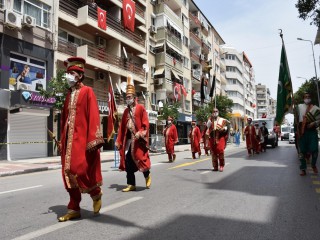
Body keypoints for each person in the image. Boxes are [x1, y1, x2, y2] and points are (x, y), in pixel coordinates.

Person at [58, 57, 104, 222]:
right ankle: (74, 207)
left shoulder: (87, 92)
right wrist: (62, 141)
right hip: (68, 142)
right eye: (68, 73)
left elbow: (93, 115)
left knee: (80, 170)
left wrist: (93, 140)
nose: (68, 76)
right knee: (67, 173)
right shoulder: (68, 95)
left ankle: (95, 194)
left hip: (82, 140)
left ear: (79, 75)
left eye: (71, 73)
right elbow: (64, 120)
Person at [115, 74, 151, 191]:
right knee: (128, 163)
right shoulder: (125, 111)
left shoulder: (141, 108)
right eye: (126, 97)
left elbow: (145, 124)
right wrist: (119, 140)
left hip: (138, 140)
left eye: (129, 96)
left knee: (141, 159)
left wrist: (140, 133)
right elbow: (122, 128)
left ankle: (147, 175)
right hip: (130, 141)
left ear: (134, 97)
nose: (128, 98)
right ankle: (131, 184)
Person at [296, 92, 320, 176]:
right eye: (306, 97)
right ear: (303, 98)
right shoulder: (298, 107)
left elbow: (319, 119)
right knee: (301, 151)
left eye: (309, 96)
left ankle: (313, 165)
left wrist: (314, 123)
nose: (307, 98)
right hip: (302, 131)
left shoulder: (315, 108)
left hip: (312, 131)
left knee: (315, 150)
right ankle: (303, 169)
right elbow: (294, 115)